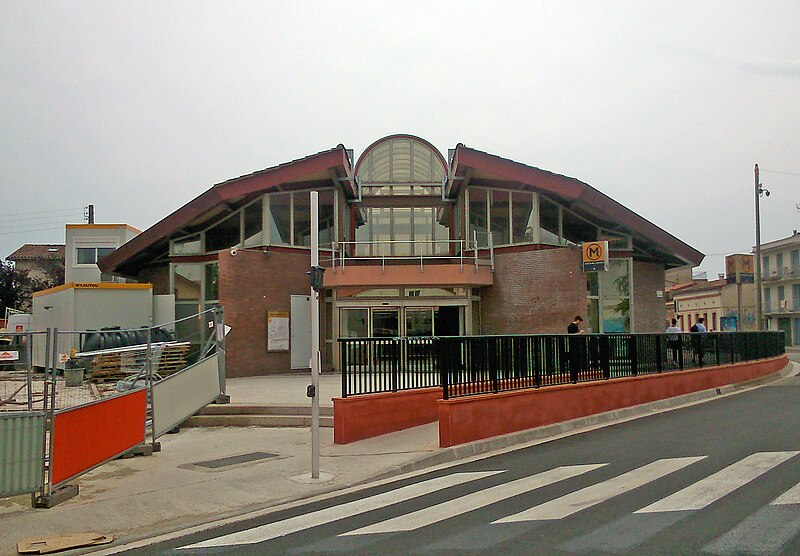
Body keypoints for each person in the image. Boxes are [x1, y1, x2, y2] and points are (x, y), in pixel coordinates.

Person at [567, 316, 584, 382]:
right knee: (575, 358)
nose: (579, 323)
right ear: (577, 320)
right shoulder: (574, 326)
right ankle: (574, 377)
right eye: (579, 321)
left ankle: (574, 376)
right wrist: (580, 332)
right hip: (574, 344)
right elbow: (574, 334)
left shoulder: (570, 326)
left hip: (572, 344)